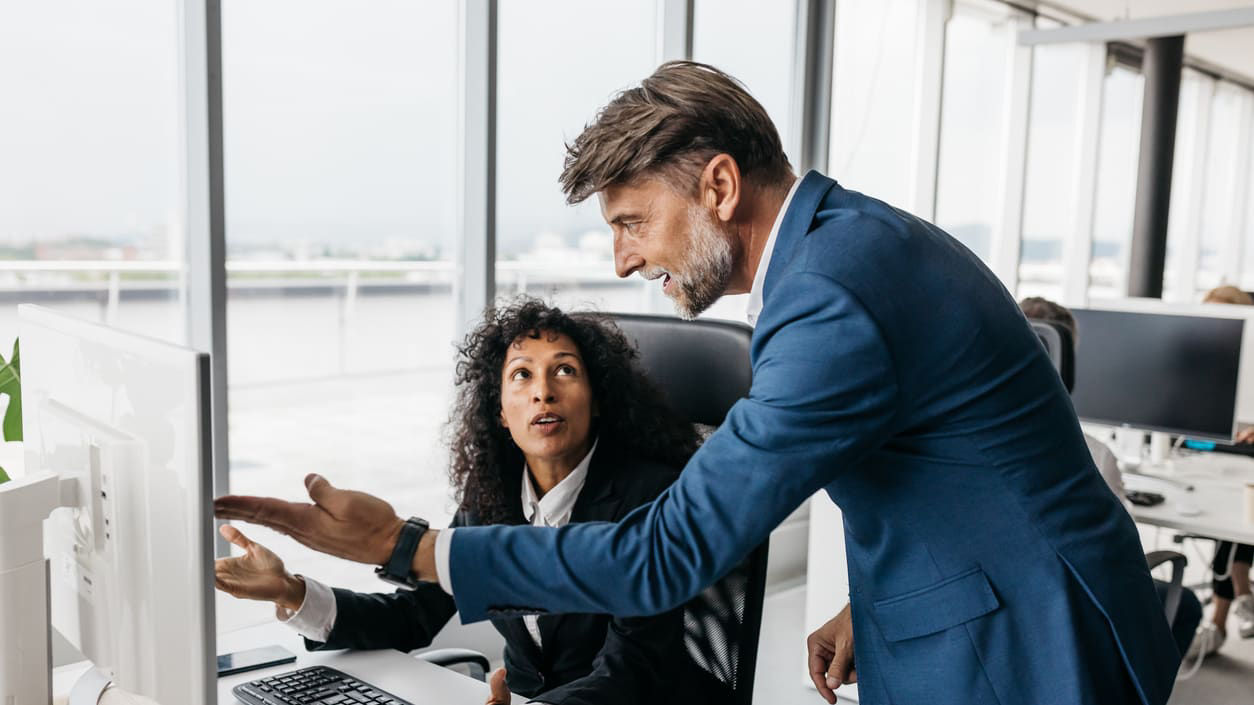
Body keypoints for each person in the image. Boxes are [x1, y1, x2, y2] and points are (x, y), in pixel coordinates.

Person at [217, 62, 1179, 705]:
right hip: (981, 596)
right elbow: (962, 464)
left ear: (718, 187)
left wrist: (409, 544)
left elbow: (661, 559)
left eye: (633, 221)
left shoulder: (834, 296)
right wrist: (871, 604)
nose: (626, 261)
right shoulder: (838, 254)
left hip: (1034, 642)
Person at [215, 297, 719, 705]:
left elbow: (633, 667)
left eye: (564, 371)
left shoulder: (652, 497)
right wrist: (292, 594)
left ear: (598, 398)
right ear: (499, 411)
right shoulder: (490, 497)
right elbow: (415, 614)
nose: (542, 391)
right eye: (521, 374)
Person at [1018, 296, 1204, 657]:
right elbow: (1124, 555)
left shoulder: (946, 445)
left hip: (993, 613)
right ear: (1065, 364)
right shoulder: (1093, 454)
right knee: (1187, 605)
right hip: (1068, 612)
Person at [1185, 285, 1254, 659]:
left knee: (1236, 516)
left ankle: (1220, 619)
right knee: (1230, 519)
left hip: (1246, 454)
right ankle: (1242, 594)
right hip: (1207, 451)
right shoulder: (1198, 357)